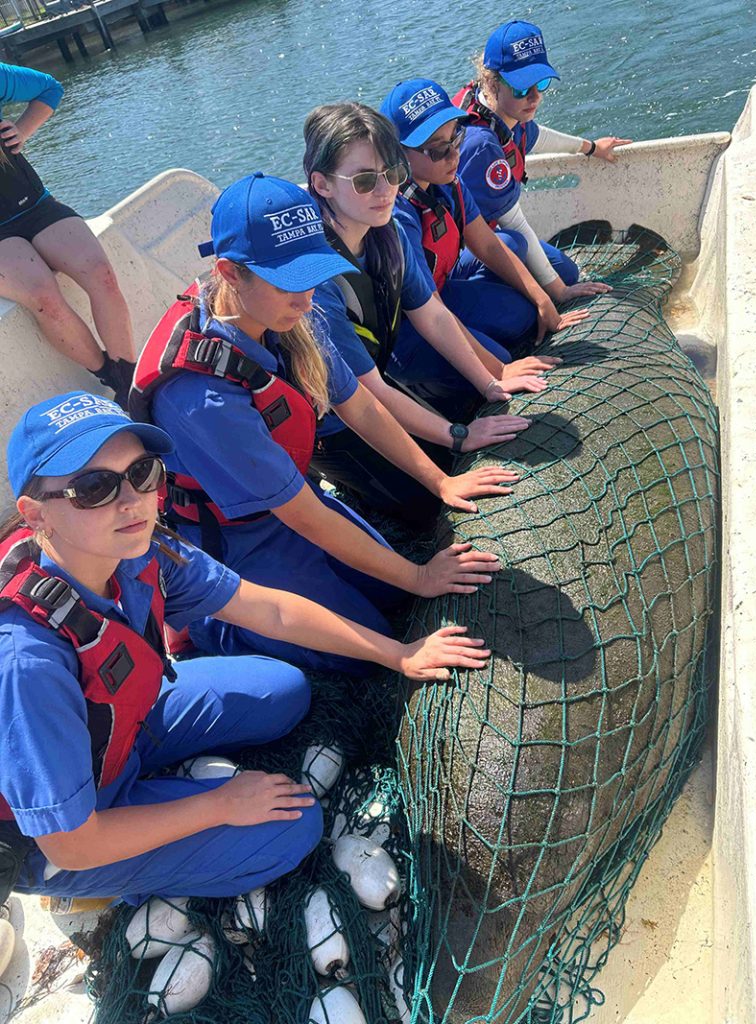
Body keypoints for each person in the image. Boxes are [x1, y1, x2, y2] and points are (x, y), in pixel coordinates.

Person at [0, 391, 491, 905]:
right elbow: (73, 842)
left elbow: (268, 610)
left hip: (123, 724)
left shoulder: (137, 547)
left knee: (283, 689)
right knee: (292, 829)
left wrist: (398, 653)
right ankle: (119, 882)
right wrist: (220, 804)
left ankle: (155, 782)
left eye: (143, 472)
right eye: (93, 487)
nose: (131, 501)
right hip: (62, 829)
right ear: (36, 515)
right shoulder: (26, 660)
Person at [130, 173, 516, 670]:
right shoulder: (201, 396)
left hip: (287, 499)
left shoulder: (284, 314)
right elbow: (305, 515)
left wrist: (441, 480)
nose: (306, 297)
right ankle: (204, 624)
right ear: (229, 273)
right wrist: (419, 578)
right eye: (287, 281)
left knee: (394, 598)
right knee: (368, 645)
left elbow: (358, 405)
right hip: (230, 538)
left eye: (312, 275)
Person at [303, 101, 558, 511]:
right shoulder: (315, 281)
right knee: (426, 502)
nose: (386, 191)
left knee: (463, 428)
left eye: (393, 173)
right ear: (322, 184)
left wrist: (491, 382)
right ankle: (336, 481)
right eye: (365, 180)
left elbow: (434, 316)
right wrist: (458, 441)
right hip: (327, 419)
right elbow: (364, 398)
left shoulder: (385, 233)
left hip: (373, 379)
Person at [380, 77, 590, 359]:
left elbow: (488, 244)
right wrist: (497, 372)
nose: (454, 155)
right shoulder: (398, 216)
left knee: (523, 308)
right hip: (410, 325)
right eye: (438, 149)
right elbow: (429, 313)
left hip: (442, 286)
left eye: (456, 137)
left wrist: (542, 299)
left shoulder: (448, 183)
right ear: (398, 155)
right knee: (500, 356)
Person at [454, 20, 631, 298]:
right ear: (491, 82)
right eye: (523, 88)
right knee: (525, 306)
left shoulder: (505, 109)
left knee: (567, 272)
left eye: (541, 83)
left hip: (491, 234)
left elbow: (535, 136)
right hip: (460, 255)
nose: (535, 97)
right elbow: (514, 222)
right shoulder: (481, 145)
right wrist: (558, 292)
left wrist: (592, 147)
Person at [0, 62, 135, 406]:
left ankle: (131, 378)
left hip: (34, 204)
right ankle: (112, 377)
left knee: (101, 275)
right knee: (44, 296)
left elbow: (49, 88)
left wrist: (22, 130)